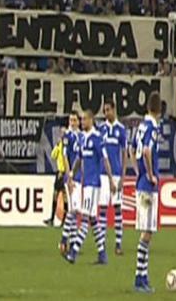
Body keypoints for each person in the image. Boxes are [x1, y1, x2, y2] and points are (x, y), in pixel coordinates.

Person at [65, 110, 116, 265]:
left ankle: (73, 251)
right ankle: (102, 254)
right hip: (85, 183)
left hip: (93, 185)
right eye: (81, 119)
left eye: (84, 119)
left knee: (85, 218)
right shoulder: (83, 139)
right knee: (93, 219)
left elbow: (105, 159)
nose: (82, 122)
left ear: (91, 120)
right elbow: (79, 159)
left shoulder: (97, 139)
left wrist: (111, 180)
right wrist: (72, 174)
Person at [133, 92, 162, 293]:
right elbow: (146, 151)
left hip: (140, 183)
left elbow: (133, 150)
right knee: (147, 232)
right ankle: (139, 277)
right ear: (159, 110)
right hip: (147, 186)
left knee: (147, 231)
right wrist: (150, 174)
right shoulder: (152, 128)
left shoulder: (140, 127)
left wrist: (139, 172)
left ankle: (142, 276)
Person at [97, 100, 127, 255]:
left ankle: (118, 243)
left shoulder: (121, 130)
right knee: (102, 208)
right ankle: (101, 244)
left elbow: (124, 154)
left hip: (116, 174)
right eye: (104, 110)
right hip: (103, 175)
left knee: (117, 208)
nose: (106, 113)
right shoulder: (101, 129)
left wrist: (123, 176)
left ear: (114, 109)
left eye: (108, 110)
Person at [58, 112, 82, 255]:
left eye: (74, 120)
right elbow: (66, 156)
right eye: (70, 120)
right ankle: (65, 240)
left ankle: (71, 242)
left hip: (80, 177)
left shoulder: (81, 136)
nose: (72, 122)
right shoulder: (67, 136)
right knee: (74, 209)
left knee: (75, 209)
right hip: (72, 178)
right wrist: (69, 175)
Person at [45, 136, 68, 227]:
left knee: (65, 197)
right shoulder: (59, 146)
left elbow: (65, 160)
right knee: (55, 195)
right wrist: (57, 146)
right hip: (59, 173)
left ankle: (65, 220)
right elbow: (53, 156)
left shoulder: (66, 146)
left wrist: (64, 172)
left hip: (63, 173)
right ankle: (52, 218)